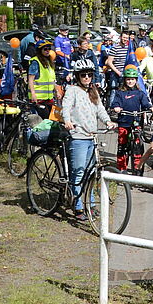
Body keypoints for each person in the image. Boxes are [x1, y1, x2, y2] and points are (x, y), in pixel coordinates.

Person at [61, 59, 115, 219]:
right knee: (78, 172)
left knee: (91, 173)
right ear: (77, 76)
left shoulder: (93, 91)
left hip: (92, 136)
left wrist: (108, 121)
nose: (86, 78)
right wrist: (67, 120)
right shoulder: (72, 90)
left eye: (89, 75)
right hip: (78, 136)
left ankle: (90, 205)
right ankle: (78, 207)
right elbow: (66, 106)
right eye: (83, 75)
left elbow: (101, 109)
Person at [109, 65, 151, 171]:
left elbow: (145, 103)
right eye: (128, 79)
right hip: (124, 122)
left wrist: (150, 108)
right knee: (122, 145)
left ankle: (137, 168)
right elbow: (115, 102)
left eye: (132, 79)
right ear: (124, 80)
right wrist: (116, 107)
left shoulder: (140, 93)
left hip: (136, 122)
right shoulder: (120, 93)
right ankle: (121, 169)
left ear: (136, 80)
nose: (130, 81)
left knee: (137, 146)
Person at [28, 41, 57, 119]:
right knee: (44, 119)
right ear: (39, 50)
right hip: (39, 98)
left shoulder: (49, 62)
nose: (48, 51)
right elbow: (30, 79)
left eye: (49, 49)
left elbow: (52, 79)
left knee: (51, 118)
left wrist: (56, 91)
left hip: (48, 98)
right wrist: (33, 94)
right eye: (45, 49)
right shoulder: (35, 62)